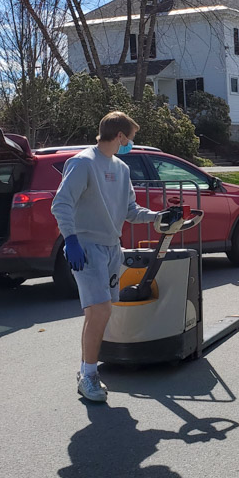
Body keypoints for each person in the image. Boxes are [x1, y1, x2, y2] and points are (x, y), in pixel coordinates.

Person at [51, 111, 162, 402]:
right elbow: (61, 203)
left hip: (112, 248)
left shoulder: (122, 169)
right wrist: (71, 240)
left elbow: (131, 210)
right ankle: (88, 376)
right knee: (99, 311)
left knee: (99, 312)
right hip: (86, 248)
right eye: (131, 139)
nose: (131, 144)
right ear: (120, 136)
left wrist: (158, 217)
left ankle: (85, 370)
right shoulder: (83, 162)